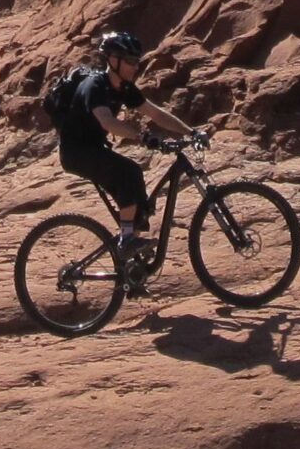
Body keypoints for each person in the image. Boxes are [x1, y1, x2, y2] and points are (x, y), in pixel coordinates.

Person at [50, 30, 195, 272]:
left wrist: (190, 132)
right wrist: (141, 136)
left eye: (137, 62)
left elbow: (155, 113)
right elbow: (108, 122)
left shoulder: (124, 88)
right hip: (76, 152)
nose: (134, 67)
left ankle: (131, 268)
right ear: (113, 61)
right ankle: (127, 241)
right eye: (129, 61)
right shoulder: (94, 86)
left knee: (138, 190)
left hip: (94, 149)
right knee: (127, 172)